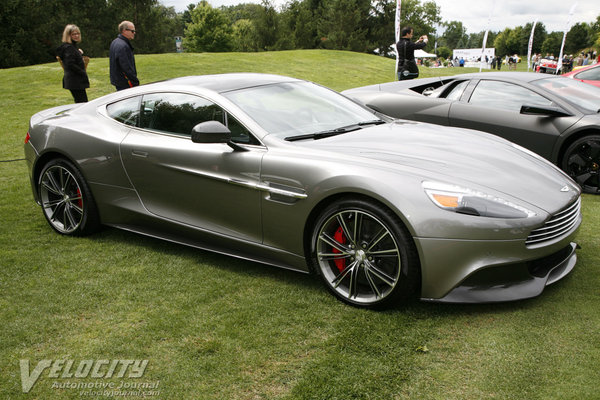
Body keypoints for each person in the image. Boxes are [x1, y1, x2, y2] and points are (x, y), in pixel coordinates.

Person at [56, 24, 89, 103]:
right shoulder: (69, 48)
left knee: (81, 102)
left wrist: (78, 53)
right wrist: (82, 72)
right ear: (68, 35)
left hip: (74, 80)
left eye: (78, 33)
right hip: (75, 81)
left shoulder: (71, 47)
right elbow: (70, 64)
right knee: (82, 103)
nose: (77, 36)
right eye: (74, 34)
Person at [109, 21, 139, 91]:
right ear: (124, 31)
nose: (134, 33)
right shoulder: (123, 46)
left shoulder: (115, 42)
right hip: (125, 83)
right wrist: (134, 81)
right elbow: (126, 67)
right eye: (132, 31)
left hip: (118, 81)